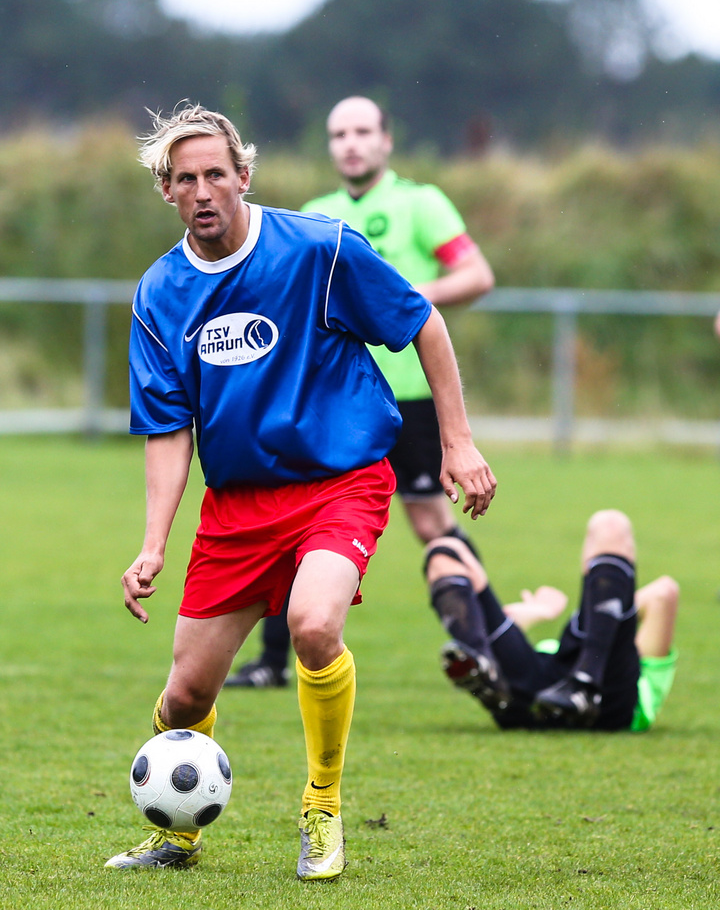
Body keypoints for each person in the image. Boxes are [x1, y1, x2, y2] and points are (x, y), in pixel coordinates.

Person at [104, 103, 497, 878]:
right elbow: (168, 429)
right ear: (168, 192)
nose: (205, 189)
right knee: (184, 697)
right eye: (187, 179)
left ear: (244, 175)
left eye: (218, 173)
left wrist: (457, 441)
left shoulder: (319, 250)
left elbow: (422, 321)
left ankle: (322, 807)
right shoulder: (159, 295)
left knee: (314, 625)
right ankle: (177, 833)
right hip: (239, 507)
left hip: (338, 484)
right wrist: (153, 544)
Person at [226, 95, 495, 689]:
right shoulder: (316, 215)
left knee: (429, 521)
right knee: (298, 514)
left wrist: (395, 294)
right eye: (339, 133)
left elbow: (477, 275)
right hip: (336, 404)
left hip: (411, 394)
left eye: (362, 131)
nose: (350, 142)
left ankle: (488, 639)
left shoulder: (419, 204)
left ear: (386, 140)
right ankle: (274, 661)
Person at [428, 509, 678, 731]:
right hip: (532, 691)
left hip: (607, 702)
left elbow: (664, 593)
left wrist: (602, 605)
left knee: (610, 524)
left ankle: (585, 684)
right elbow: (658, 593)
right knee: (443, 551)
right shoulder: (597, 638)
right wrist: (540, 612)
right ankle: (486, 668)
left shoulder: (639, 675)